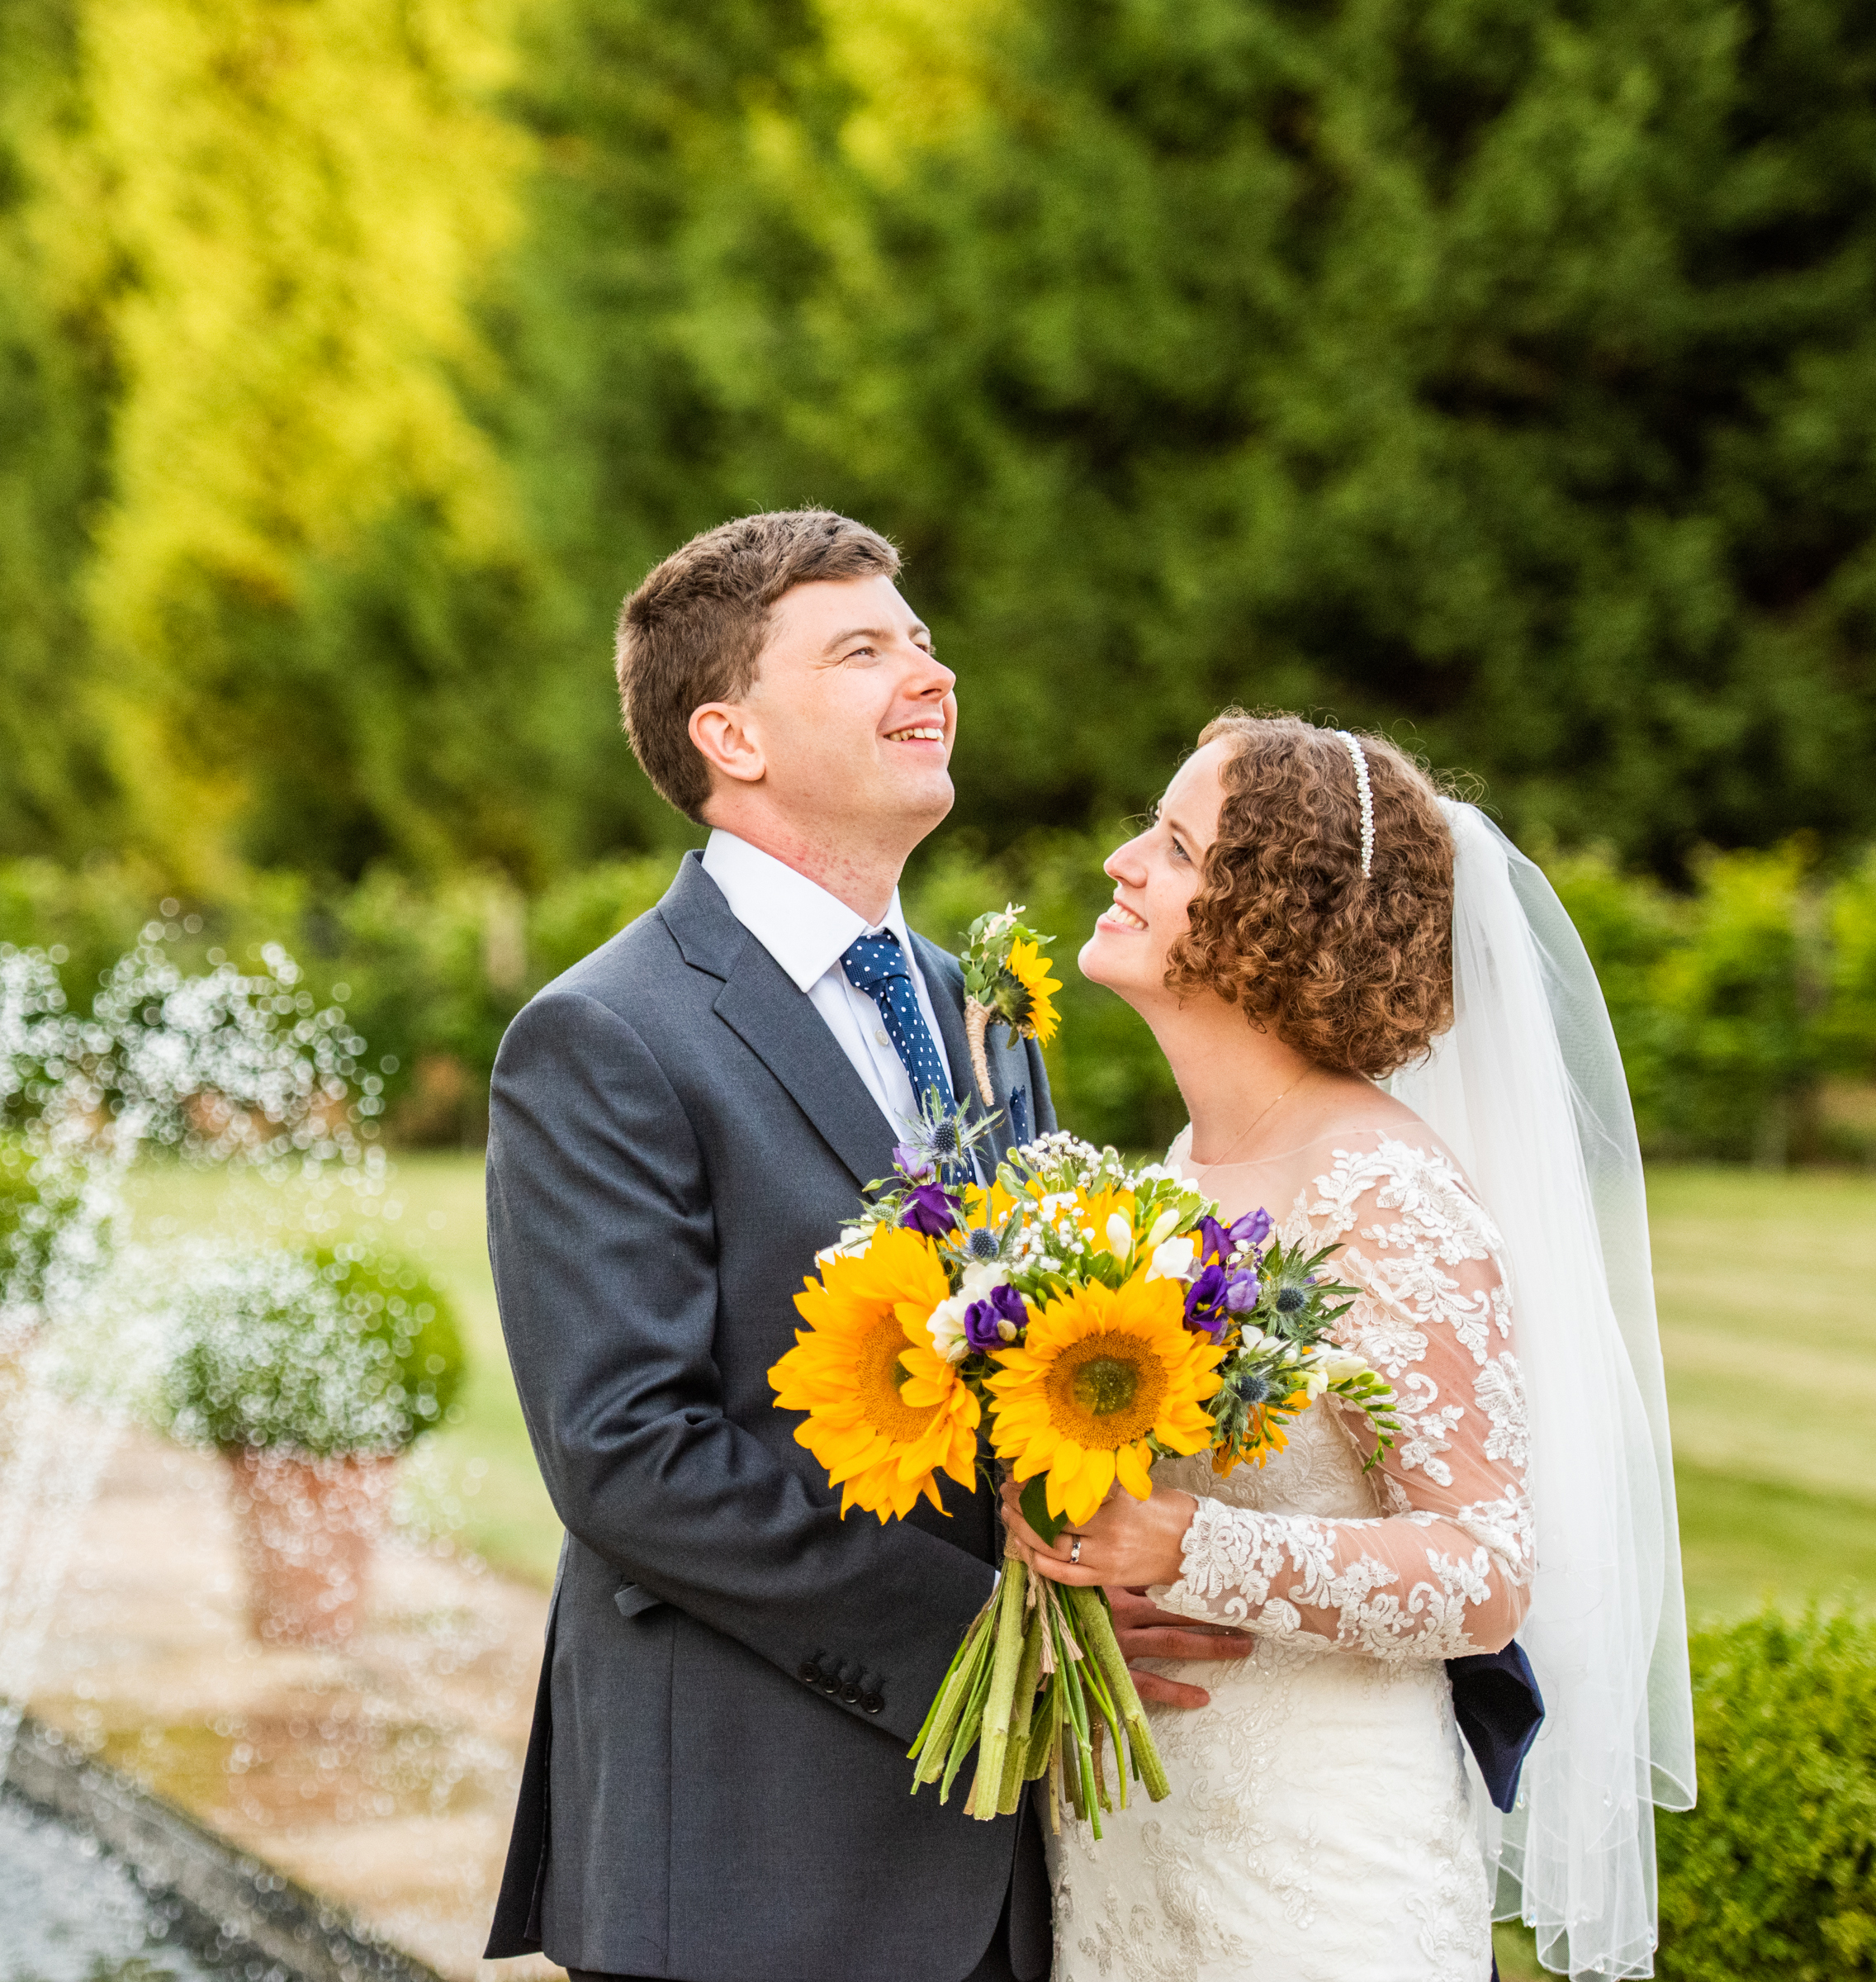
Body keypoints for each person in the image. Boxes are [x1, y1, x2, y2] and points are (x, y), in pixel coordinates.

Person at [481, 510, 1238, 1982]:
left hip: (1004, 1871)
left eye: (925, 641)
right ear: (732, 737)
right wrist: (991, 1636)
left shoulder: (977, 1004)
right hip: (751, 1866)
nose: (929, 673)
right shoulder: (602, 1033)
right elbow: (627, 1453)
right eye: (864, 649)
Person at [1020, 714, 1692, 1982]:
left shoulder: (1381, 1191)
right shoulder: (1180, 1177)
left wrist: (1191, 1548)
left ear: (1266, 916)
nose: (1121, 861)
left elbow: (1483, 1571)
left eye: (1172, 844)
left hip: (1317, 1866)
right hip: (1138, 1846)